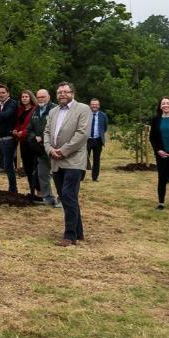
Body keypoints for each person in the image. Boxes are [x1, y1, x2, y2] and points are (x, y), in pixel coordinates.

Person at [44, 82, 90, 246]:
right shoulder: (53, 111)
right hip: (56, 160)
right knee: (66, 197)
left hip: (74, 160)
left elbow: (82, 134)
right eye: (59, 92)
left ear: (73, 93)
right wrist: (50, 149)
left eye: (65, 91)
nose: (62, 94)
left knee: (68, 195)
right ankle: (79, 232)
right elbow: (47, 132)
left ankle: (69, 236)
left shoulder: (83, 109)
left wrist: (63, 151)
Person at [28, 88, 59, 207]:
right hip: (39, 149)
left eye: (43, 97)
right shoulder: (35, 110)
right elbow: (29, 128)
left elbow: (57, 128)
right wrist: (34, 137)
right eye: (38, 97)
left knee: (58, 175)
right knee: (42, 174)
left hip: (53, 148)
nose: (40, 99)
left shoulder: (55, 109)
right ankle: (47, 198)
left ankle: (61, 199)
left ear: (49, 97)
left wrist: (41, 137)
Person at [0, 84, 19, 193]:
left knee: (8, 164)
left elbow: (6, 115)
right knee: (6, 164)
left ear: (8, 93)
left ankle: (13, 189)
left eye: (3, 92)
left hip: (9, 138)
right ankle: (12, 188)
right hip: (0, 137)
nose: (1, 95)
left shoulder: (13, 103)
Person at [14, 89, 37, 197]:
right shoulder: (21, 110)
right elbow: (19, 123)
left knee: (34, 167)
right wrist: (15, 130)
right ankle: (32, 190)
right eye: (23, 97)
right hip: (22, 141)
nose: (24, 98)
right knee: (27, 167)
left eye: (26, 97)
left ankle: (38, 191)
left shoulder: (35, 110)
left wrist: (22, 132)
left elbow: (33, 126)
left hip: (31, 141)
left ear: (30, 97)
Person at [86, 98, 109, 182]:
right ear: (90, 105)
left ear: (99, 106)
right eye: (92, 104)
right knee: (83, 159)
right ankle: (80, 177)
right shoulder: (85, 114)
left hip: (98, 140)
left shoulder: (103, 115)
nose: (94, 106)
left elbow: (105, 128)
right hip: (86, 140)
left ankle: (95, 178)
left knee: (96, 159)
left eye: (96, 104)